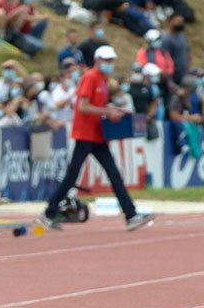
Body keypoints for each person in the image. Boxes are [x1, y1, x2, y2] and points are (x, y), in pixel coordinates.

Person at [38, 45, 154, 231]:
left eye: (111, 60)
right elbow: (82, 106)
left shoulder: (102, 79)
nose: (109, 64)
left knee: (112, 174)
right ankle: (48, 213)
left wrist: (115, 110)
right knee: (73, 176)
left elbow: (96, 104)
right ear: (97, 60)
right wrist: (107, 111)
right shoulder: (91, 78)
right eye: (106, 60)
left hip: (97, 134)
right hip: (86, 134)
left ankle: (131, 214)